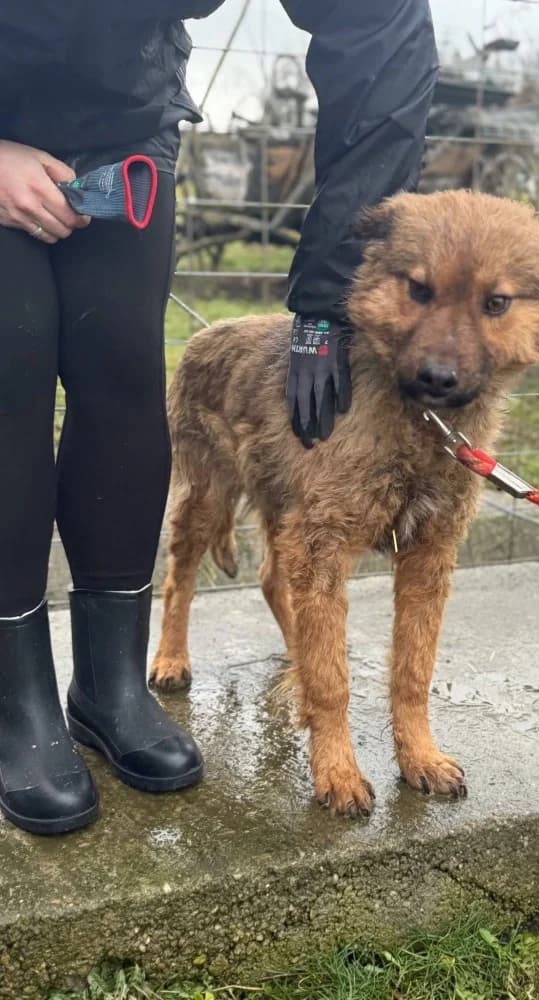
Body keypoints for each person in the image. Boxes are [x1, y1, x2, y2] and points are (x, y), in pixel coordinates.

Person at [0, 1, 438, 836]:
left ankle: (108, 686)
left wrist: (326, 304)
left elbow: (375, 34)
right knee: (8, 380)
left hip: (124, 116)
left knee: (122, 378)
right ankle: (15, 704)